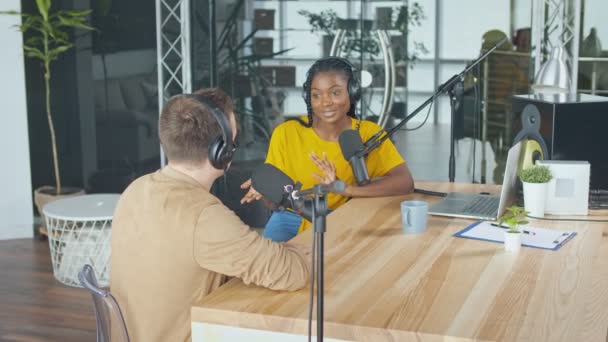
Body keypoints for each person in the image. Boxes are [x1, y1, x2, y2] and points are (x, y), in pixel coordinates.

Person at [110, 88, 310, 342]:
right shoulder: (204, 217)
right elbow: (293, 273)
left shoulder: (136, 189)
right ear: (222, 151)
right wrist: (288, 253)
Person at [241, 57, 414, 242]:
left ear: (352, 92)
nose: (325, 102)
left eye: (335, 92)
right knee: (270, 263)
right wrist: (265, 191)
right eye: (316, 95)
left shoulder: (368, 133)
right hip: (291, 217)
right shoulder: (286, 133)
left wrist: (347, 190)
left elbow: (404, 182)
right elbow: (276, 204)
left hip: (343, 216)